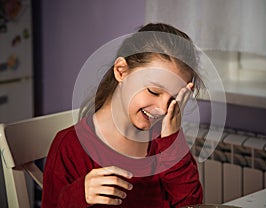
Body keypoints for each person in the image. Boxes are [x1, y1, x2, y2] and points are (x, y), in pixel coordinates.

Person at [42, 23, 203, 208]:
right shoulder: (70, 146)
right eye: (153, 91)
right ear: (121, 71)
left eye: (173, 98)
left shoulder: (165, 140)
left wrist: (172, 141)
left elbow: (191, 204)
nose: (162, 109)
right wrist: (79, 195)